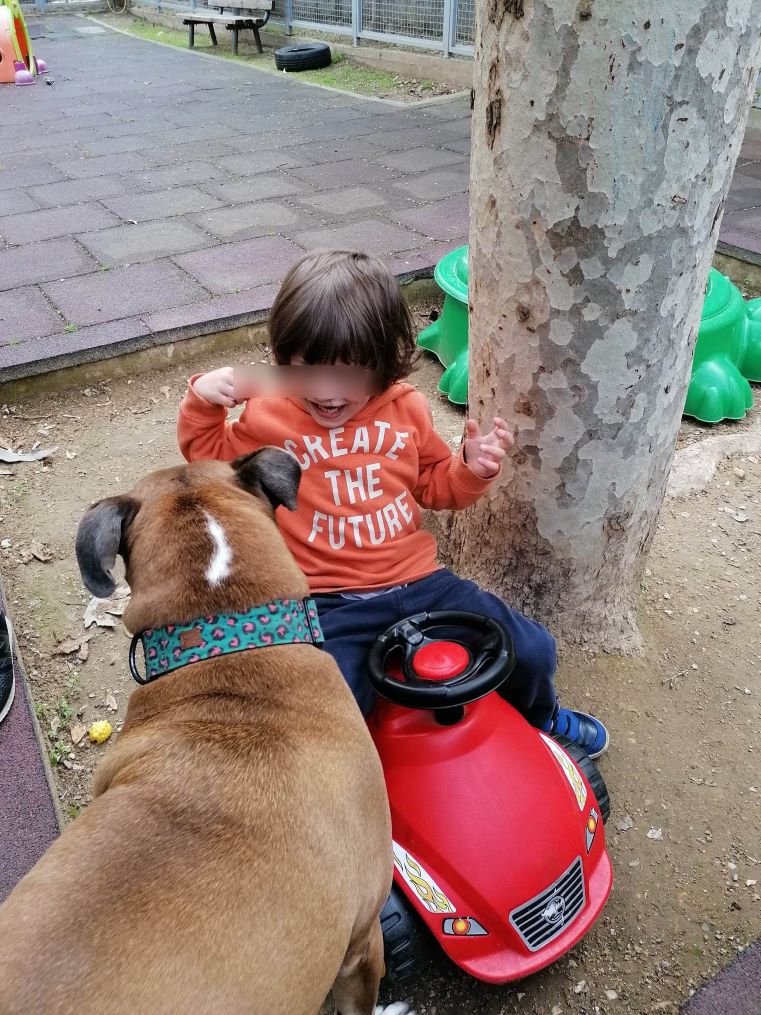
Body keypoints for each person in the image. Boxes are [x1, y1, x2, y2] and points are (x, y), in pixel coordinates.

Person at [177, 249, 608, 758]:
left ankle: (543, 718)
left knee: (532, 649)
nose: (326, 392)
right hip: (325, 599)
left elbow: (435, 486)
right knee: (331, 709)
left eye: (348, 374)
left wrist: (471, 468)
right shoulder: (267, 412)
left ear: (382, 364)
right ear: (283, 359)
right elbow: (206, 454)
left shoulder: (407, 408)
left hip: (422, 583)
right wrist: (203, 400)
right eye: (306, 370)